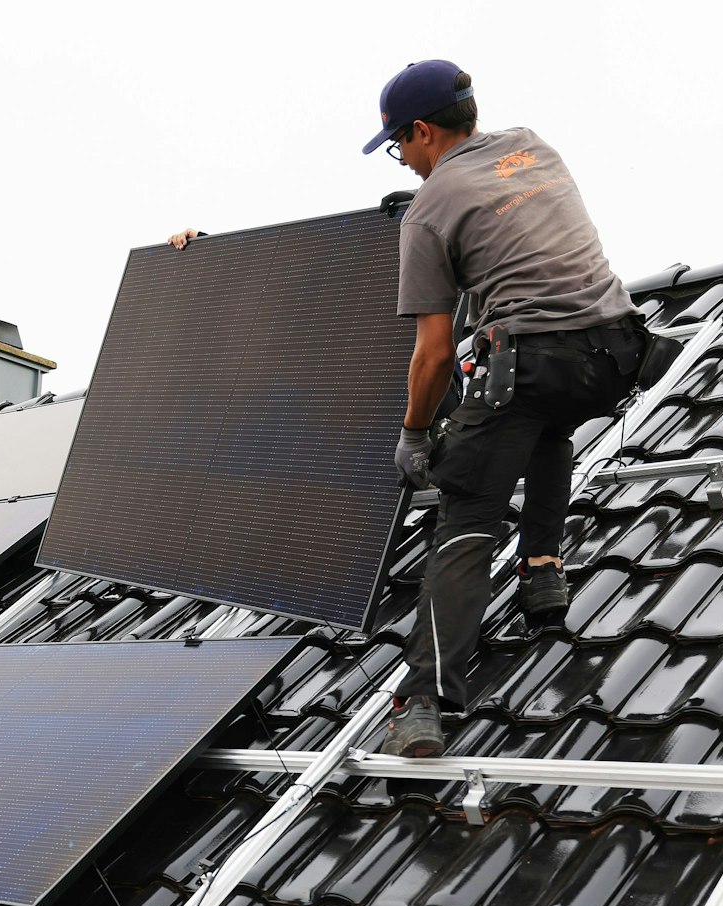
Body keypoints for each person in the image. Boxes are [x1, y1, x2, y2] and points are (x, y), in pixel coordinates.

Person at [172, 61, 641, 758]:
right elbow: (501, 221)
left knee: (467, 512)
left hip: (531, 364)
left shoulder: (428, 212)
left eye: (401, 146)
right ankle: (543, 569)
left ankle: (424, 696)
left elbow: (432, 355)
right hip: (616, 350)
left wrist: (415, 435)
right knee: (550, 416)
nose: (407, 163)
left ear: (423, 131)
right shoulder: (534, 145)